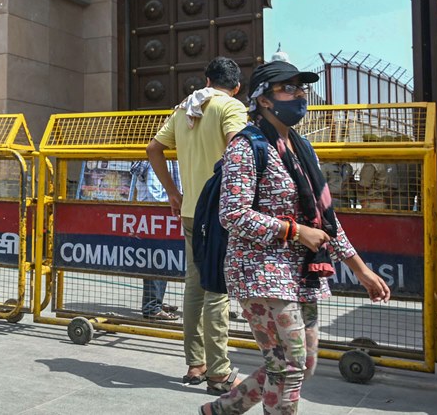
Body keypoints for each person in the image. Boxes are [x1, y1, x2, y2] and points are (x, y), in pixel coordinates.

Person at [200, 60, 391, 415]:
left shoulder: (303, 149)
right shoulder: (246, 146)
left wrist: (361, 270)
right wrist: (292, 230)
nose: (299, 95)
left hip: (302, 273)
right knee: (288, 368)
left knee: (301, 363)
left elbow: (325, 221)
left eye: (301, 88)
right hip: (260, 271)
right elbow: (232, 214)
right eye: (288, 88)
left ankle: (220, 410)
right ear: (265, 99)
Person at [147, 57, 247, 393]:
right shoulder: (231, 106)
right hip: (220, 211)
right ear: (236, 86)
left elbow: (154, 149)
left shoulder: (184, 108)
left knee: (195, 285)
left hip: (191, 209)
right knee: (217, 289)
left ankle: (195, 365)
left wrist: (173, 192)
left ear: (206, 79)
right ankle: (219, 373)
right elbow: (238, 149)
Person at [130, 160, 181, 322]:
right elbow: (155, 194)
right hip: (158, 212)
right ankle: (152, 306)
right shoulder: (159, 158)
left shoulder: (169, 156)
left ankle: (156, 301)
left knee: (163, 259)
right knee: (157, 259)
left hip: (164, 211)